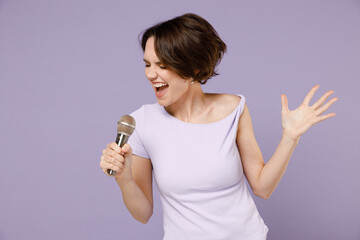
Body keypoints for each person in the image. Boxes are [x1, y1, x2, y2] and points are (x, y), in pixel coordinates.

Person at [99, 13, 338, 240]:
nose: (151, 74)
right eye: (147, 64)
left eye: (162, 65)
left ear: (193, 68)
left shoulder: (234, 108)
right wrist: (123, 177)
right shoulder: (142, 122)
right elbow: (142, 214)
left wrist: (290, 136)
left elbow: (263, 187)